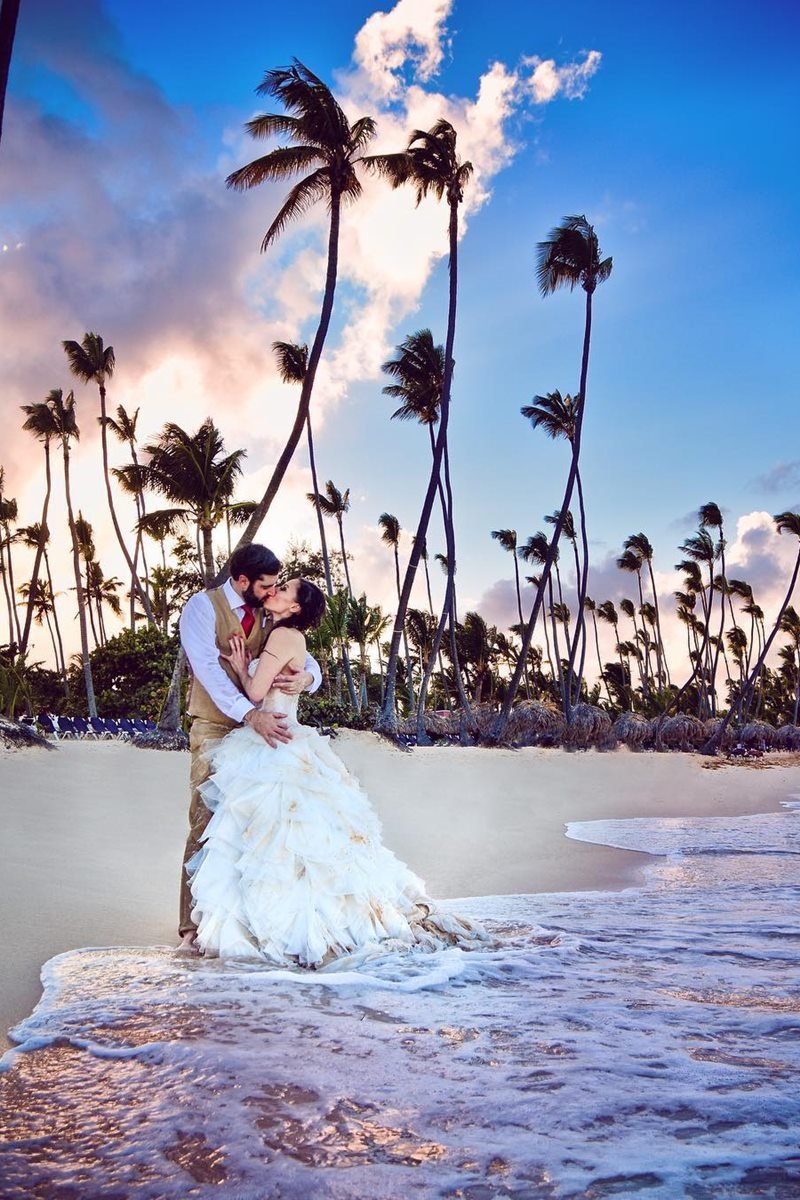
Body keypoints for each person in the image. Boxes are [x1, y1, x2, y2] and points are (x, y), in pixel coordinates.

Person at [188, 577, 486, 966]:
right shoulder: (284, 634)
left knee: (271, 840)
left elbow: (257, 695)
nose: (274, 592)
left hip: (273, 741)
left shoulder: (281, 637)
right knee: (286, 842)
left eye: (284, 590)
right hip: (279, 738)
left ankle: (274, 930)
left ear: (295, 608)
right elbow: (298, 674)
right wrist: (295, 675)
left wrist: (244, 668)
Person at [178, 544, 322, 952]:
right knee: (206, 823)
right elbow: (208, 670)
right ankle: (191, 927)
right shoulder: (202, 608)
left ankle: (246, 925)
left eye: (277, 586)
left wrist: (309, 680)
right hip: (214, 725)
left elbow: (303, 657)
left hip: (260, 731)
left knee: (254, 829)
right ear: (242, 581)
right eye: (266, 585)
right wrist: (249, 713)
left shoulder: (269, 612)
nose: (271, 591)